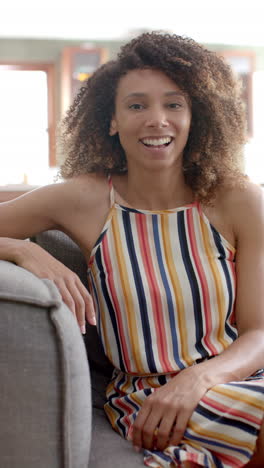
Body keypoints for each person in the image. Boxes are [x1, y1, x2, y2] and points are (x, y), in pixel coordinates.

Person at [1, 31, 264, 468]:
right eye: (137, 105)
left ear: (194, 115)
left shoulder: (238, 199)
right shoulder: (83, 199)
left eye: (173, 104)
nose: (156, 119)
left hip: (236, 377)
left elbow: (259, 332)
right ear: (112, 120)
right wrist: (22, 251)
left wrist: (200, 378)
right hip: (149, 398)